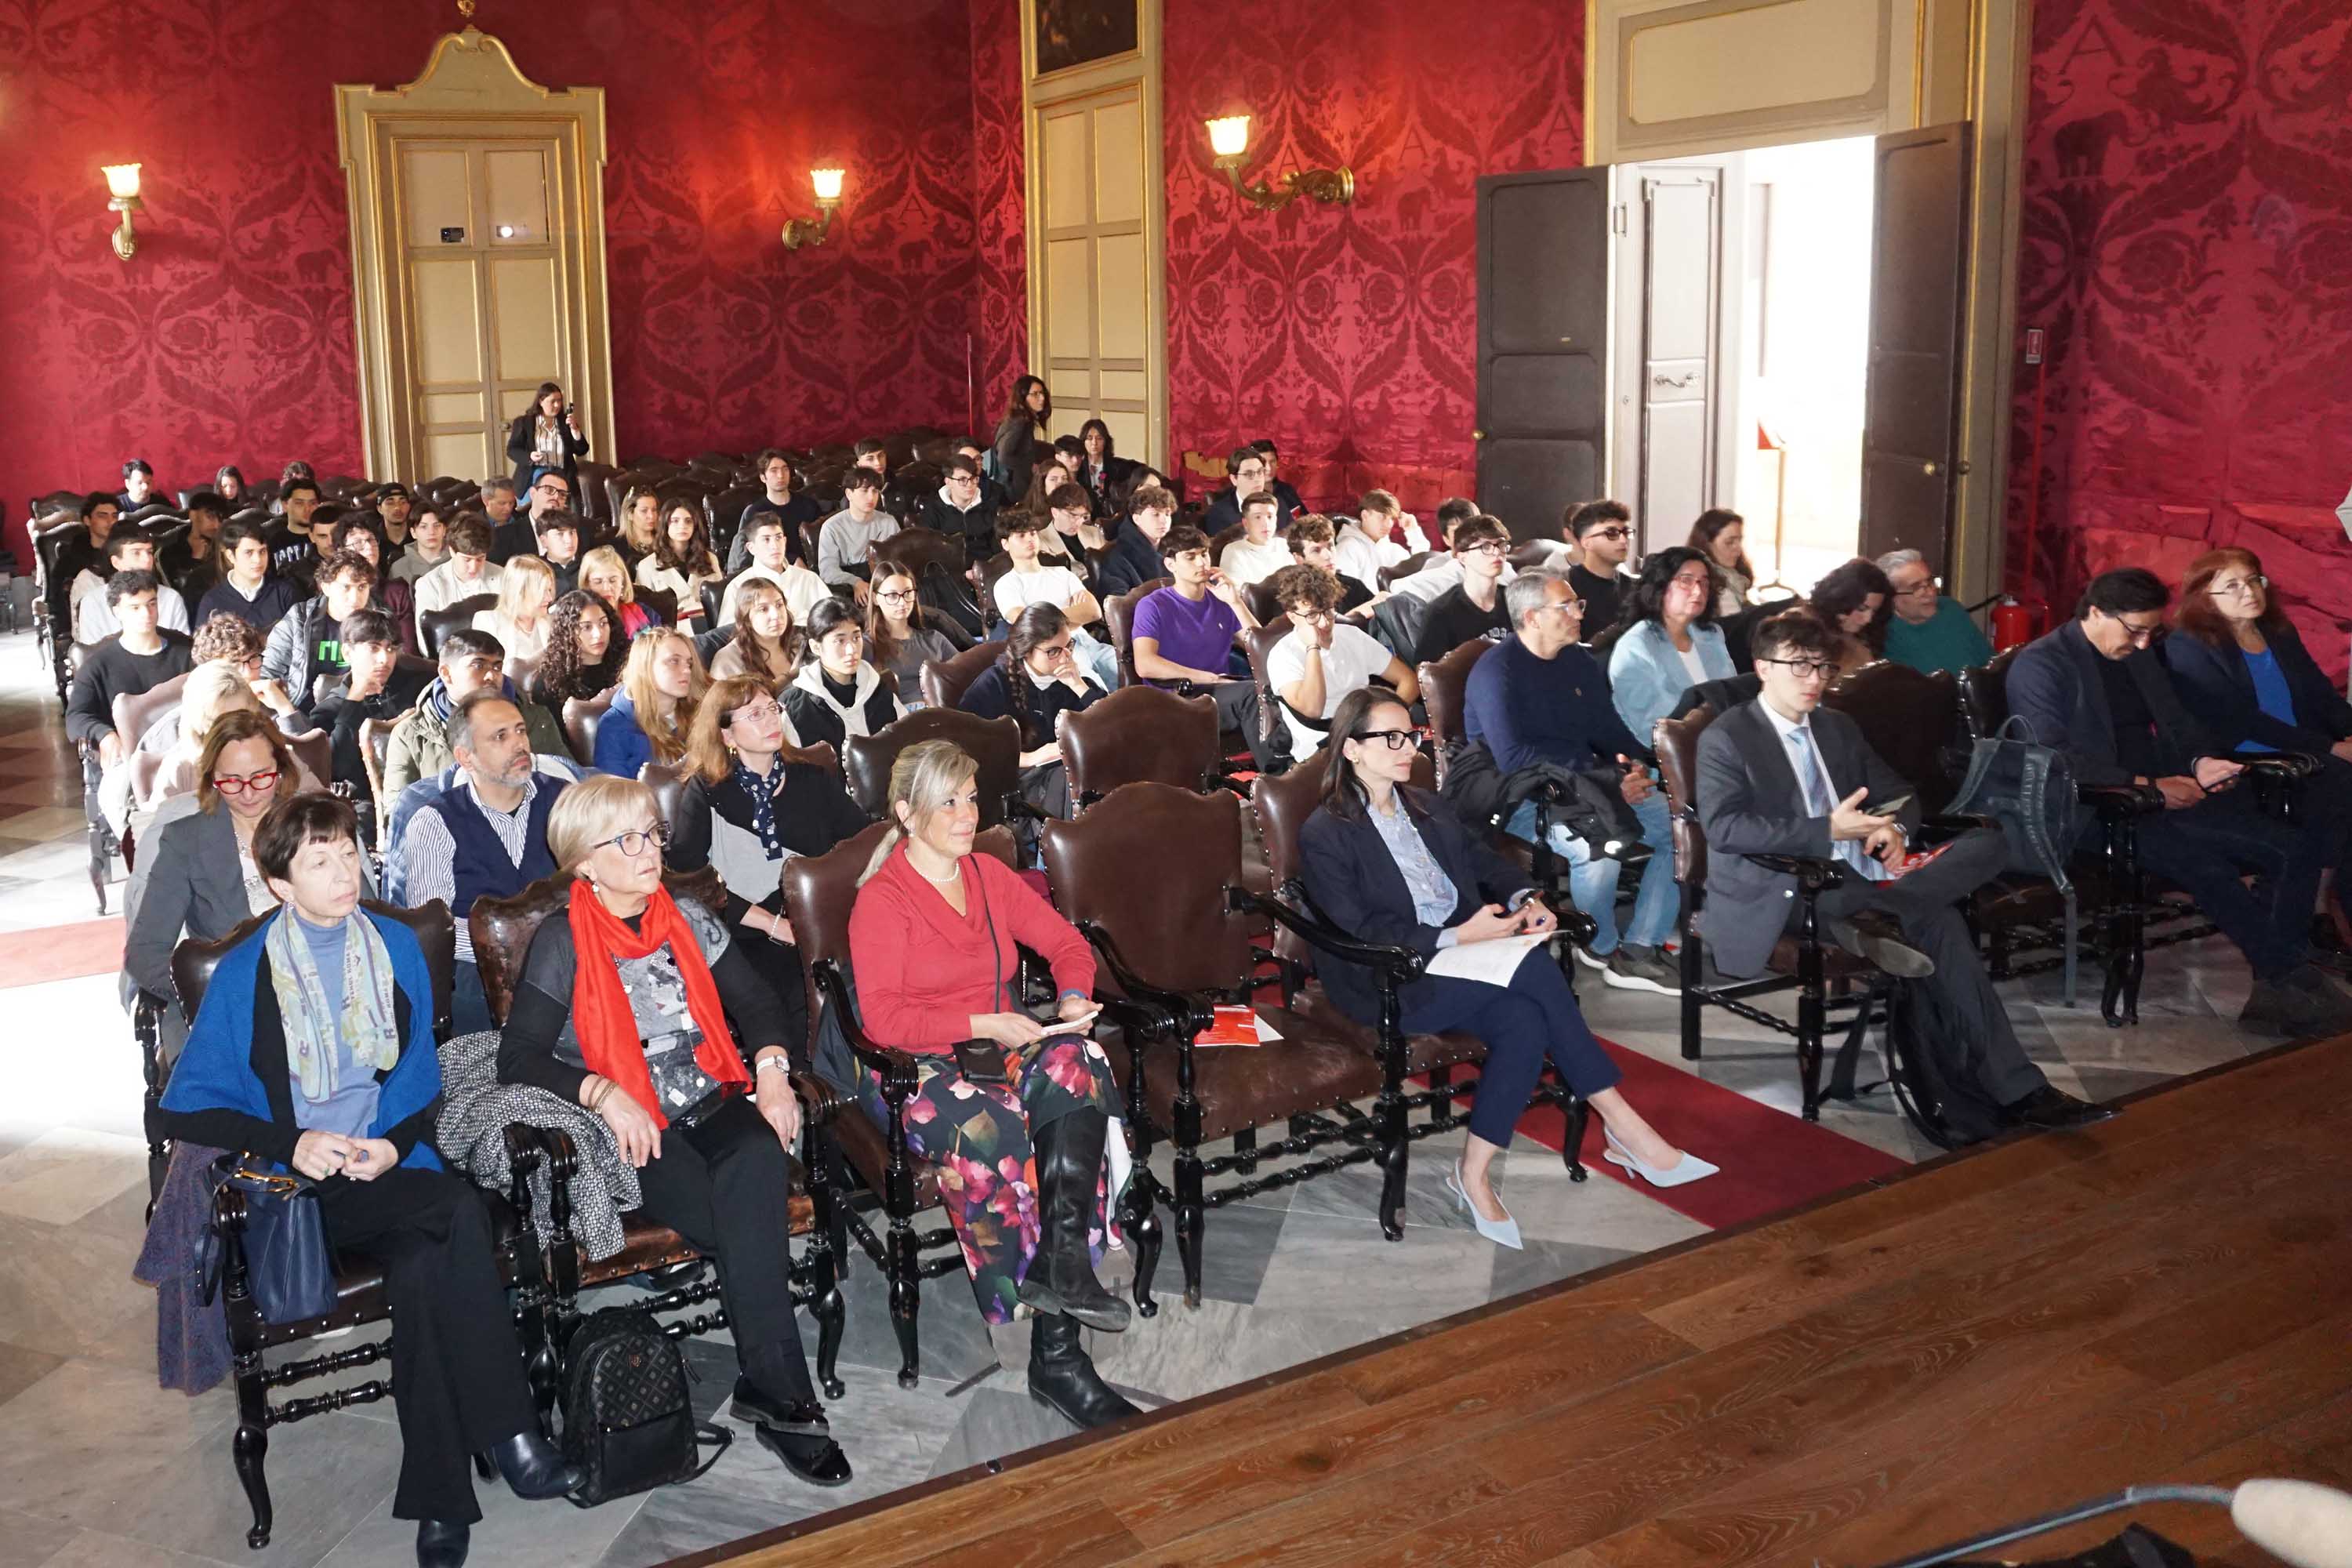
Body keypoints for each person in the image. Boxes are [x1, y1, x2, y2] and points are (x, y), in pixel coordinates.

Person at [157, 792, 583, 1566]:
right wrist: (294, 1139)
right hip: (301, 1191)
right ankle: (513, 1432)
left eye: (348, 850)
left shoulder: (392, 944)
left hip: (390, 1167)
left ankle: (442, 1496)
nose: (344, 870)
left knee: (426, 1268)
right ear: (280, 884)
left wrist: (389, 1142)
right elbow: (184, 1110)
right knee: (456, 1209)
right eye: (319, 859)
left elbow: (421, 1079)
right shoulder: (247, 972)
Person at [495, 776, 851, 1487]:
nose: (648, 849)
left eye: (650, 833)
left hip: (709, 1096)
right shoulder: (562, 940)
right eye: (624, 840)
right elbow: (518, 1058)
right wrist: (603, 1093)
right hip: (635, 1130)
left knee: (753, 1156)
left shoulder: (687, 917)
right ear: (585, 863)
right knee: (746, 1215)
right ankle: (776, 1392)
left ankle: (780, 1392)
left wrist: (775, 1074)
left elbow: (756, 1002)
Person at [1302, 688, 1715, 1236]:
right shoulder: (1326, 832)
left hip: (1465, 957)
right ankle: (1623, 1124)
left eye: (1414, 735)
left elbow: (1483, 863)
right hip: (1389, 977)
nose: (1409, 748)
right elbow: (1360, 930)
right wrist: (1456, 935)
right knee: (1534, 972)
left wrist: (1525, 899)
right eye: (1392, 738)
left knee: (1523, 1020)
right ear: (1352, 749)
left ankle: (1472, 1175)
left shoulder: (1425, 804)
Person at [1695, 611, 2115, 1131]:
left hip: (1868, 878)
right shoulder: (1728, 737)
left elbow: (1898, 793)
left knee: (1990, 841)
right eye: (1798, 667)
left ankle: (1878, 920)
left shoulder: (1837, 726)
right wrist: (1828, 829)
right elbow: (1726, 829)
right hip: (1791, 889)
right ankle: (2020, 1091)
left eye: (1822, 668)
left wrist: (1891, 827)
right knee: (1941, 924)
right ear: (1763, 667)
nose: (1813, 681)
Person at [845, 739, 1134, 1425]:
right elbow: (884, 1020)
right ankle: (1050, 1345)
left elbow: (1068, 945)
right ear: (907, 814)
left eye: (971, 797)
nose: (967, 813)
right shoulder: (882, 902)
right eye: (948, 800)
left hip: (999, 1044)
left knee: (1083, 1065)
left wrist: (1068, 1000)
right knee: (998, 1131)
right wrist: (983, 1019)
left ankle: (1059, 1285)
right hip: (916, 1069)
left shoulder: (987, 875)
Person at [2009, 568, 2352, 1034]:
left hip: (2156, 793)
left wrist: (2200, 763)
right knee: (2202, 862)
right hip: (2093, 808)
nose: (2147, 643)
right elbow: (2054, 759)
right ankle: (2288, 978)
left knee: (2294, 847)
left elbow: (2177, 722)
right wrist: (2148, 784)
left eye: (2153, 630)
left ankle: (2276, 984)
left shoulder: (2137, 654)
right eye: (2136, 630)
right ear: (2095, 613)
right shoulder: (2042, 665)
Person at [1465, 572, 1679, 993]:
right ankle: (1600, 944)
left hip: (1587, 783)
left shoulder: (1577, 661)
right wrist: (1607, 780)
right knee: (1597, 849)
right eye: (1567, 607)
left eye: (1577, 604)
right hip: (1517, 794)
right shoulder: (1497, 672)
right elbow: (1513, 758)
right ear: (1532, 617)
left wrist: (1640, 762)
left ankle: (1638, 947)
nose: (1580, 613)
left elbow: (1606, 727)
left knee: (1679, 827)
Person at [2165, 546, 2352, 938]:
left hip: (2303, 747)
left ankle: (2324, 906)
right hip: (2243, 756)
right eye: (2232, 585)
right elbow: (2238, 719)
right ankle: (2315, 911)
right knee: (2338, 780)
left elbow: (2321, 695)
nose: (2248, 591)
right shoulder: (2189, 645)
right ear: (2204, 597)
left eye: (2253, 580)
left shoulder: (2278, 633)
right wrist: (2329, 747)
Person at [670, 678, 872, 1040]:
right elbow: (688, 882)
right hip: (744, 928)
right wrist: (771, 924)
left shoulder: (811, 777)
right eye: (755, 714)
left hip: (817, 919)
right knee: (787, 1000)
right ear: (728, 736)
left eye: (772, 710)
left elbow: (860, 845)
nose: (771, 721)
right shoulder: (706, 791)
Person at [402, 689, 573, 1036]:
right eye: (501, 736)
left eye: (521, 730)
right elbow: (436, 929)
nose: (520, 744)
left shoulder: (565, 799)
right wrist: (511, 945)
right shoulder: (434, 821)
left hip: (571, 961)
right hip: (479, 975)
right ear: (466, 757)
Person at [1132, 525, 1277, 771]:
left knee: (1277, 686)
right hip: (1176, 698)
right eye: (1190, 557)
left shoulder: (1219, 600)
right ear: (1171, 564)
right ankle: (1278, 778)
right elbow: (1145, 664)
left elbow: (1263, 646)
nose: (1201, 562)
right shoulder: (1153, 605)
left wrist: (1235, 601)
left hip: (1219, 690)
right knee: (1253, 695)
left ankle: (1294, 766)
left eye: (1204, 554)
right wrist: (1209, 678)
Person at [383, 630, 569, 797]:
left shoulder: (536, 719)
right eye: (479, 666)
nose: (491, 676)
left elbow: (569, 783)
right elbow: (398, 812)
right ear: (446, 673)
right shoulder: (411, 734)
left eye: (497, 667)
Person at [960, 604, 1105, 818]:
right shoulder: (994, 684)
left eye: (1069, 646)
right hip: (1019, 782)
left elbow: (1112, 726)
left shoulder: (1070, 679)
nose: (1065, 657)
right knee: (1066, 776)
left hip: (1072, 774)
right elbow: (966, 746)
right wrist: (1030, 757)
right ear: (1027, 650)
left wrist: (1079, 686)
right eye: (1053, 651)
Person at [1265, 564, 1417, 760]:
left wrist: (1387, 720)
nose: (1324, 623)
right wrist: (1313, 648)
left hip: (1368, 733)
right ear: (1292, 616)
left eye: (1328, 610)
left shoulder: (1351, 636)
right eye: (1312, 615)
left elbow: (1408, 680)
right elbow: (1312, 710)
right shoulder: (1282, 655)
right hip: (1320, 749)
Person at [66, 572, 196, 768]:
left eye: (151, 604)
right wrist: (105, 735)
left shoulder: (186, 650)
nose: (146, 614)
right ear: (117, 611)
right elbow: (76, 717)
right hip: (129, 760)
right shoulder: (98, 665)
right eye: (135, 607)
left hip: (185, 751)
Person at [1609, 547, 1737, 742]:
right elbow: (1652, 728)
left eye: (1704, 582)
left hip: (1724, 745)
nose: (1698, 590)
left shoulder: (1711, 635)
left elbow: (1732, 700)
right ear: (1660, 586)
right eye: (1686, 581)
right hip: (1674, 756)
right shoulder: (1636, 647)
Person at [311, 608, 430, 797]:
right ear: (347, 653)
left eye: (390, 649)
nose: (384, 659)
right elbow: (335, 770)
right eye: (374, 648)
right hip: (367, 801)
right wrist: (354, 699)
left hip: (425, 787)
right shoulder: (330, 708)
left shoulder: (420, 686)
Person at [992, 511, 1118, 689]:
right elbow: (1028, 625)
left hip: (1087, 641)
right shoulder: (1006, 584)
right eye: (1021, 536)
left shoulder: (1062, 573)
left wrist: (1047, 619)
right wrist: (1074, 615)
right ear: (1005, 544)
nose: (1030, 539)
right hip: (1056, 652)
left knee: (1127, 669)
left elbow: (1093, 611)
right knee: (1095, 689)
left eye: (1033, 533)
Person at [255, 550, 376, 720]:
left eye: (362, 587)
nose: (355, 597)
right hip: (303, 711)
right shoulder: (299, 619)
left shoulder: (378, 620)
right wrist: (286, 711)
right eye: (346, 587)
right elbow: (269, 672)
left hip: (358, 710)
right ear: (326, 588)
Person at [782, 599, 906, 755]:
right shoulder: (795, 707)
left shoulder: (878, 688)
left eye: (856, 638)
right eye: (840, 641)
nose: (851, 650)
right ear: (815, 647)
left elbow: (907, 742)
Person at [596, 625, 705, 779]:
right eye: (674, 661)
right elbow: (615, 795)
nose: (687, 670)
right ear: (645, 667)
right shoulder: (614, 726)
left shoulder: (699, 709)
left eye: (689, 663)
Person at [1410, 514, 1512, 666]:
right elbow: (1426, 673)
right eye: (1486, 547)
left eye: (1501, 545)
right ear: (1463, 558)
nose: (1497, 553)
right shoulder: (1441, 612)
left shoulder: (1514, 599)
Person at [1877, 548, 1991, 675]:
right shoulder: (1884, 635)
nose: (1931, 593)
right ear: (1891, 597)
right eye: (1916, 588)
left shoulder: (1951, 610)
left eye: (1930, 582)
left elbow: (1990, 664)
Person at [74, 525, 192, 641]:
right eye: (136, 553)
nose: (147, 559)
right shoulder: (93, 602)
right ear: (116, 563)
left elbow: (182, 647)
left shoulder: (171, 598)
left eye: (149, 552)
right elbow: (92, 655)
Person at [717, 513, 828, 629]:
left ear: (784, 541)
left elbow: (832, 619)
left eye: (778, 538)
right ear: (751, 548)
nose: (775, 546)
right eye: (766, 540)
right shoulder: (738, 586)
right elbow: (727, 635)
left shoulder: (808, 578)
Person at [866, 568, 960, 699]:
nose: (902, 602)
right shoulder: (865, 646)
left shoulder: (933, 639)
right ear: (875, 598)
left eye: (908, 593)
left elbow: (963, 675)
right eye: (892, 596)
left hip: (941, 711)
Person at [727, 448, 822, 572]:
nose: (781, 475)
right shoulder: (755, 512)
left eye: (785, 469)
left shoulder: (808, 505)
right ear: (763, 477)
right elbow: (748, 553)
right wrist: (790, 560)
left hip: (813, 568)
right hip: (773, 570)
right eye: (774, 470)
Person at [412, 516, 505, 637]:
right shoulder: (430, 584)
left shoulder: (502, 577)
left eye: (480, 559)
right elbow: (426, 639)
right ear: (452, 551)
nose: (473, 568)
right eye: (467, 560)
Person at [815, 470, 900, 600]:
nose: (871, 497)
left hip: (885, 585)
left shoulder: (889, 522)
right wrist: (855, 582)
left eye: (875, 491)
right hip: (847, 589)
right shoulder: (832, 527)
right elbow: (828, 571)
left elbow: (899, 562)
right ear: (849, 494)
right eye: (864, 491)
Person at [636, 500, 723, 627]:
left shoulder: (710, 558)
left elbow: (719, 599)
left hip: (710, 623)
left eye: (688, 521)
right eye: (675, 521)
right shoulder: (647, 565)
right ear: (665, 525)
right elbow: (645, 613)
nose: (682, 526)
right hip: (673, 629)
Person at [1331, 490, 1429, 594]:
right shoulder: (1347, 548)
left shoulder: (1395, 550)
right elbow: (1346, 595)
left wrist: (1413, 532)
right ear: (1365, 515)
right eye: (1382, 516)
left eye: (1391, 518)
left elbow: (1424, 574)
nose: (1388, 524)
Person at [1285, 514, 1383, 617]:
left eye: (1330, 546)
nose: (1328, 555)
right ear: (1299, 559)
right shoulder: (1295, 596)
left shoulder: (1353, 585)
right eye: (1316, 550)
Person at [915, 452, 1001, 568]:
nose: (970, 485)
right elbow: (928, 552)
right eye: (962, 480)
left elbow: (997, 550)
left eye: (973, 479)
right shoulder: (933, 509)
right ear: (948, 482)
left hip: (985, 569)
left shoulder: (987, 506)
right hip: (949, 572)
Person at [1563, 500, 1636, 636]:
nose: (1623, 540)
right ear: (1587, 542)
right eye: (1612, 533)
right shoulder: (1567, 587)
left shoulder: (1636, 590)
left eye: (1626, 532)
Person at [537, 590, 622, 706]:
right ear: (568, 632)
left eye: (603, 623)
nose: (598, 634)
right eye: (587, 627)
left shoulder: (628, 665)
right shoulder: (552, 680)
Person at [1808, 557, 1893, 674]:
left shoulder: (1863, 642)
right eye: (1861, 609)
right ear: (1841, 598)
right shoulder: (1801, 623)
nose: (1868, 619)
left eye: (1874, 611)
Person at [1093, 481, 1174, 600]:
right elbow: (1118, 604)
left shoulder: (1175, 547)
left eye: (1167, 514)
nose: (1164, 521)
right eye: (1155, 514)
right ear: (1137, 519)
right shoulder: (1118, 556)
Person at [506, 379, 588, 495]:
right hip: (534, 474)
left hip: (562, 474)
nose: (557, 405)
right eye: (553, 401)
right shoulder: (524, 422)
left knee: (566, 510)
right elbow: (512, 450)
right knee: (530, 508)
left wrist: (575, 430)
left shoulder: (566, 422)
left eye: (559, 401)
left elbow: (582, 450)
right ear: (541, 401)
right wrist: (530, 456)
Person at [710, 579, 797, 688]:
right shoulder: (728, 661)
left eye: (779, 605)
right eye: (763, 609)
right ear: (746, 617)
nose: (776, 615)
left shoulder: (800, 642)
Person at [471, 554, 557, 662]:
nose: (549, 598)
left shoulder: (551, 623)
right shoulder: (488, 622)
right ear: (519, 591)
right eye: (542, 591)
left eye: (549, 590)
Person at [1203, 445, 1294, 535]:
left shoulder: (1278, 503)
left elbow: (1293, 538)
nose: (1257, 479)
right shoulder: (1219, 514)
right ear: (1234, 479)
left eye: (1260, 472)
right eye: (1249, 474)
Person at [991, 374, 1052, 506]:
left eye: (1042, 393)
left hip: (1016, 483)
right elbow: (1003, 456)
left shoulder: (1020, 419)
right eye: (1035, 394)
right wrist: (1028, 466)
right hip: (1014, 488)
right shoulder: (1020, 422)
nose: (1041, 398)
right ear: (1022, 398)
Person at [493, 470, 572, 566]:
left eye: (562, 494)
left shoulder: (581, 531)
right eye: (549, 490)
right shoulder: (502, 537)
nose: (556, 496)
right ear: (533, 493)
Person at [1218, 491, 1296, 587]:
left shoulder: (1284, 545)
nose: (1266, 523)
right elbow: (1234, 592)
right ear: (1246, 523)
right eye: (1258, 517)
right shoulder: (1233, 551)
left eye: (1270, 517)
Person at [580, 546, 659, 639]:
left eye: (613, 580)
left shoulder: (646, 612)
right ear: (587, 585)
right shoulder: (581, 621)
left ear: (623, 582)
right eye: (598, 582)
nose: (607, 588)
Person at [163, 491, 229, 601]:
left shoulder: (226, 548)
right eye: (210, 517)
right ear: (193, 515)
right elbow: (179, 592)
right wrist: (195, 559)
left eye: (221, 519)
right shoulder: (170, 552)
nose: (217, 525)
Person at [1690, 509, 1753, 619]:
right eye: (1730, 542)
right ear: (1707, 543)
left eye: (1740, 541)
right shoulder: (1704, 587)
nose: (1738, 550)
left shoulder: (1736, 579)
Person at [1073, 418, 1136, 515]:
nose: (1094, 443)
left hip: (1113, 518)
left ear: (1106, 441)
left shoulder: (1118, 466)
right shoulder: (1077, 468)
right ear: (1083, 441)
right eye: (1089, 438)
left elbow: (1142, 472)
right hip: (1086, 518)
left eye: (1099, 438)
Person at [263, 478, 324, 579]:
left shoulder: (327, 538)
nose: (307, 509)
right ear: (285, 505)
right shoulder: (274, 543)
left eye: (312, 503)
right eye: (299, 503)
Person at [389, 505, 450, 586]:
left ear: (444, 530)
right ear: (413, 532)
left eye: (437, 525)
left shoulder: (458, 561)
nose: (431, 532)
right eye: (423, 527)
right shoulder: (398, 568)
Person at [535, 511, 583, 597]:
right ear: (544, 541)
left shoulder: (589, 566)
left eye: (572, 533)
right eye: (560, 534)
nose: (569, 540)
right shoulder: (535, 570)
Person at [613, 485, 662, 568]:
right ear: (630, 515)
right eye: (644, 511)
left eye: (654, 510)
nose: (651, 516)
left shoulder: (665, 541)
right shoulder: (617, 547)